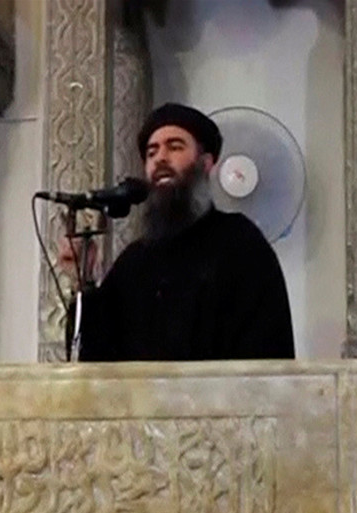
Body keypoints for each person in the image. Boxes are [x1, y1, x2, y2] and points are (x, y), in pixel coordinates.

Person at [58, 103, 294, 361]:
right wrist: (83, 281)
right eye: (152, 152)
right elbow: (93, 362)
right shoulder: (134, 261)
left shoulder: (240, 244)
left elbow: (268, 353)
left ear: (206, 163)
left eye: (175, 147)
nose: (160, 158)